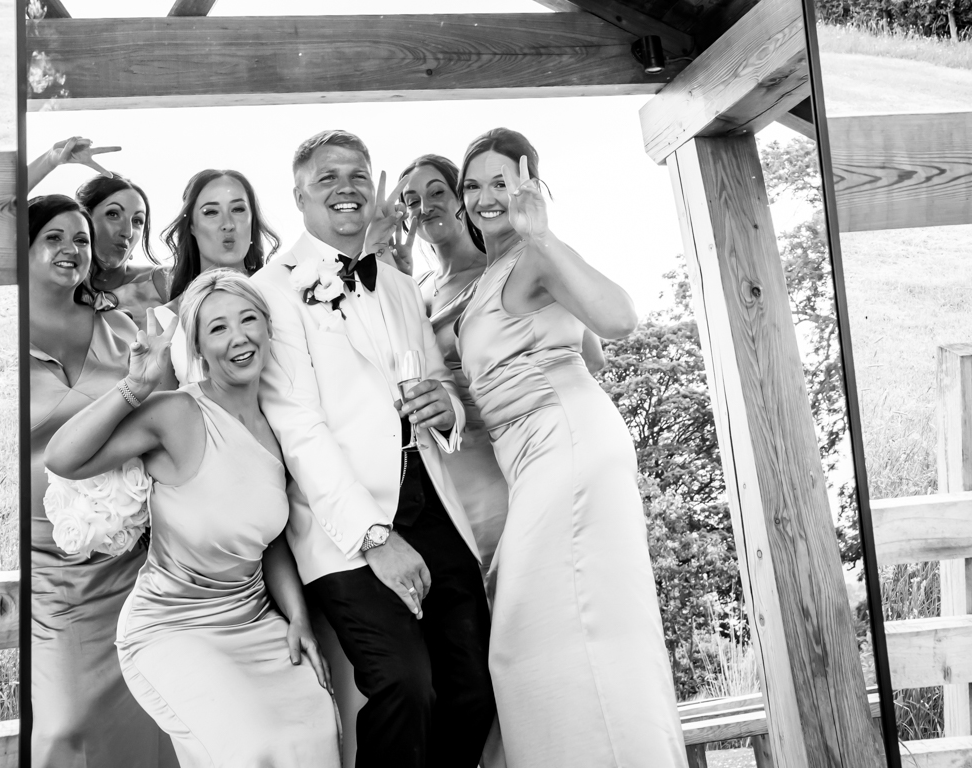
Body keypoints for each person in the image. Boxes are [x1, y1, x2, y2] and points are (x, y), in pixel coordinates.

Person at [255, 128, 496, 768]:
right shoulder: (273, 290)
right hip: (343, 525)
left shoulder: (393, 282)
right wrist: (374, 536)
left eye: (358, 175)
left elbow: (435, 378)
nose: (346, 187)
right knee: (405, 686)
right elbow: (298, 427)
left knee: (475, 687)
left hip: (433, 501)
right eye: (328, 177)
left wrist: (445, 405)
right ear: (299, 195)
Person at [457, 127, 687, 768]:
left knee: (533, 631)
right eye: (472, 186)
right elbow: (588, 352)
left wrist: (546, 238)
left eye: (500, 181)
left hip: (568, 449)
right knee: (563, 629)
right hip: (536, 453)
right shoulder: (489, 277)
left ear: (530, 186)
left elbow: (617, 320)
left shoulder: (533, 255)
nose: (484, 197)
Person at [45, 271, 339, 768]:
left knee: (317, 723)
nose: (239, 337)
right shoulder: (180, 413)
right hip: (171, 628)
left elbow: (267, 543)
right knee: (255, 748)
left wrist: (300, 620)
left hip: (254, 621)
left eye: (249, 320)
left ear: (268, 328)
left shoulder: (279, 425)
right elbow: (62, 457)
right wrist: (134, 386)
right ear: (198, 346)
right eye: (218, 328)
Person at [26, 194, 173, 768]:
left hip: (134, 557)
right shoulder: (1, 334)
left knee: (154, 702)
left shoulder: (120, 327)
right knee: (68, 720)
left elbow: (160, 415)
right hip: (49, 564)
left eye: (81, 240)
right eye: (55, 238)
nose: (73, 250)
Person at [395, 154, 507, 574]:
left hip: (490, 457)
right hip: (437, 466)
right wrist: (398, 280)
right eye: (411, 200)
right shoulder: (417, 288)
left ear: (461, 195)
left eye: (437, 191)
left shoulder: (497, 272)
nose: (424, 206)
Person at [158, 169, 280, 382]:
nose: (228, 224)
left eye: (238, 209)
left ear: (253, 220)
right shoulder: (165, 322)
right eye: (211, 212)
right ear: (192, 226)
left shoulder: (283, 293)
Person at [77, 173, 171, 326]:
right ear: (84, 218)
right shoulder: (60, 284)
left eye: (137, 221)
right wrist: (50, 161)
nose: (127, 232)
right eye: (113, 214)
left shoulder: (163, 281)